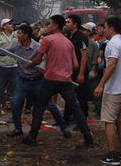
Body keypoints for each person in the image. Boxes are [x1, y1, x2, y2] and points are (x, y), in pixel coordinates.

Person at [22, 15, 94, 147]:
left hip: (50, 79)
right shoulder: (68, 42)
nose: (47, 27)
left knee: (39, 107)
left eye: (49, 24)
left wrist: (30, 64)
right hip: (65, 80)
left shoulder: (47, 40)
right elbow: (75, 65)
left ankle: (33, 136)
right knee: (75, 108)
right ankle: (88, 138)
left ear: (55, 26)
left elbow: (38, 60)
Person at [6, 24, 71, 138]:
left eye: (19, 33)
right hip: (23, 81)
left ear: (26, 36)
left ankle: (63, 127)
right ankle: (18, 128)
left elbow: (45, 60)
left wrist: (40, 67)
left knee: (50, 105)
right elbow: (5, 52)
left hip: (38, 81)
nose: (17, 35)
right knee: (15, 102)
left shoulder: (37, 47)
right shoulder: (16, 45)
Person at [94, 17, 121, 165]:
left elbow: (111, 65)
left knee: (109, 121)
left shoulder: (113, 44)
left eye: (105, 27)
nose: (103, 30)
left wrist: (100, 85)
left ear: (111, 28)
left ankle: (112, 154)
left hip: (114, 90)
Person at [64, 14, 90, 125]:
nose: (66, 24)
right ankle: (66, 118)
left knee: (82, 96)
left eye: (69, 22)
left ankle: (82, 120)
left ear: (75, 24)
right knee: (69, 94)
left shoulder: (81, 37)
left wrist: (81, 74)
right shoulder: (69, 36)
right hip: (71, 70)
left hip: (80, 71)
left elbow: (84, 56)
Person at [0, 18, 18, 115]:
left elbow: (26, 29)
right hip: (3, 67)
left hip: (14, 66)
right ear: (4, 26)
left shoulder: (16, 35)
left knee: (15, 89)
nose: (11, 25)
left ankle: (12, 109)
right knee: (0, 89)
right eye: (9, 24)